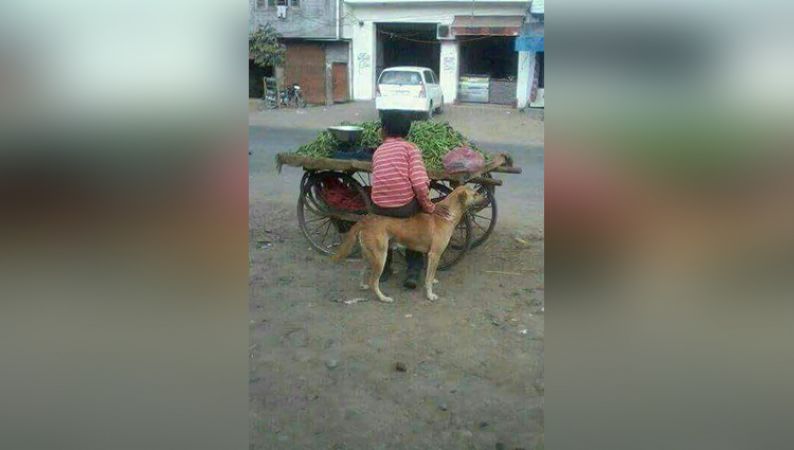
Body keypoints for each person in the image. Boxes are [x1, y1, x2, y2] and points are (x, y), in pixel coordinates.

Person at [370, 111, 435, 289]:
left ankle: (384, 270)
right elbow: (420, 184)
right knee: (417, 222)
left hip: (378, 206)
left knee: (387, 228)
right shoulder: (410, 149)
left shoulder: (378, 151)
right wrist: (428, 207)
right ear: (407, 131)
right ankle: (413, 271)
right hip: (403, 207)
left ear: (384, 130)